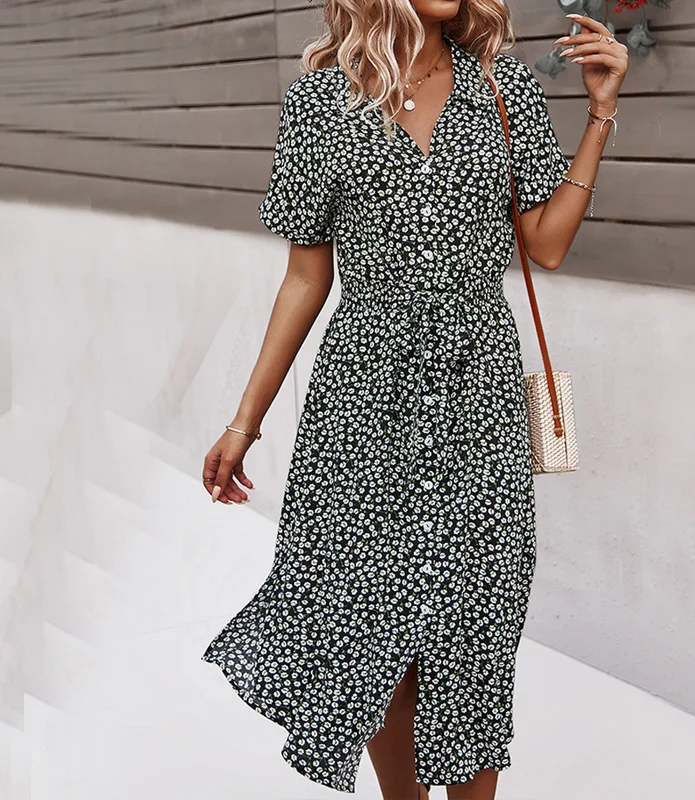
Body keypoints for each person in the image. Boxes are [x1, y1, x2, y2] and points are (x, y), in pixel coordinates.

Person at [200, 2, 627, 798]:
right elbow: (305, 277)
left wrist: (601, 113)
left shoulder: (503, 89)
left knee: (474, 627)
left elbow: (546, 243)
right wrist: (243, 423)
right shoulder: (319, 102)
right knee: (374, 630)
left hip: (479, 396)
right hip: (363, 402)